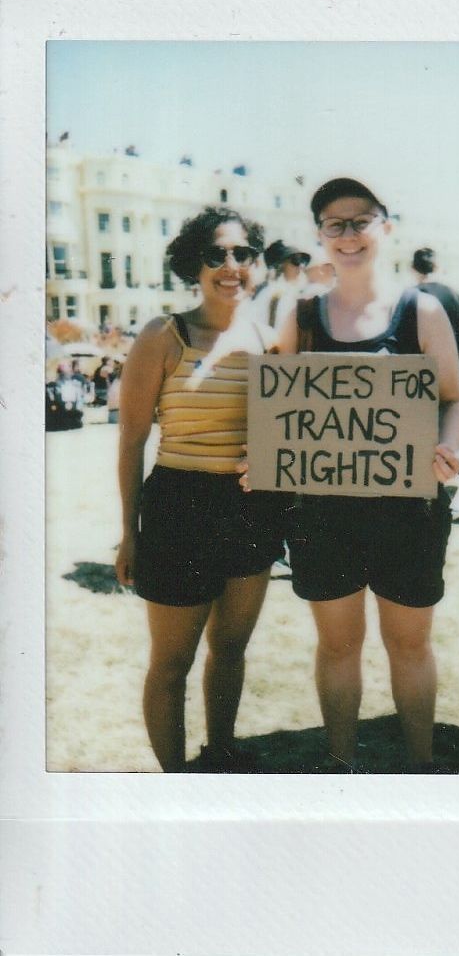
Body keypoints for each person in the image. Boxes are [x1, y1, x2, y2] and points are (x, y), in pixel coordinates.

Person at [267, 177, 459, 773]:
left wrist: (449, 446)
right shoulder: (301, 314)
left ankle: (420, 766)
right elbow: (275, 408)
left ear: (386, 227)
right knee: (337, 646)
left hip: (408, 511)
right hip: (322, 514)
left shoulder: (421, 311)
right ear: (319, 234)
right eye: (335, 223)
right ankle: (340, 767)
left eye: (361, 221)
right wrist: (266, 450)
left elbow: (457, 399)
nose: (349, 234)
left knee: (409, 644)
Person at [115, 205, 285, 773]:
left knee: (231, 648)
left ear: (257, 263)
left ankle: (222, 752)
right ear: (194, 264)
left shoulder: (272, 342)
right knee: (171, 663)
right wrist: (129, 534)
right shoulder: (162, 336)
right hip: (178, 507)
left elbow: (288, 434)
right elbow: (131, 440)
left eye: (243, 253)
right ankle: (175, 782)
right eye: (217, 254)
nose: (231, 265)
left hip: (251, 508)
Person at [412, 247, 459, 366]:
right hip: (453, 369)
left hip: (421, 371)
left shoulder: (409, 297)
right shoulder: (453, 294)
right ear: (436, 267)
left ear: (413, 267)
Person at [249, 239, 310, 330]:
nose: (301, 266)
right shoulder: (271, 293)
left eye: (302, 261)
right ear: (280, 264)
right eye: (296, 261)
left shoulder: (294, 291)